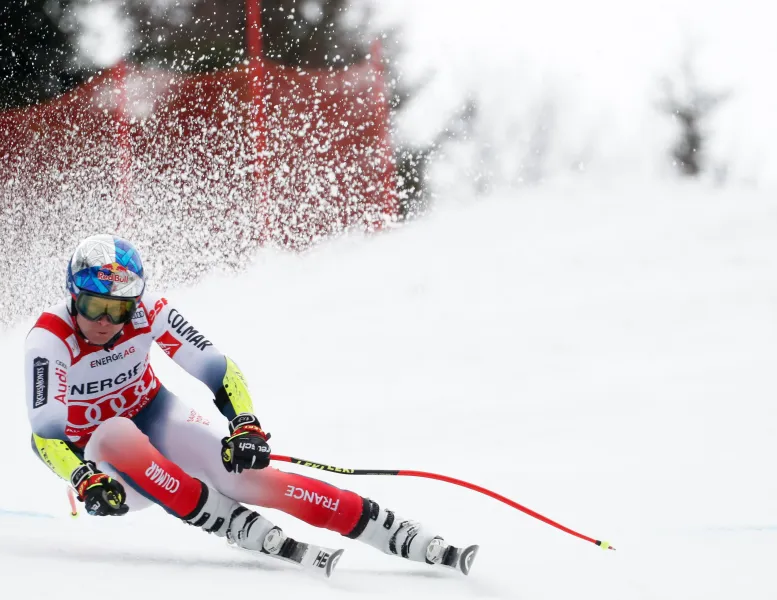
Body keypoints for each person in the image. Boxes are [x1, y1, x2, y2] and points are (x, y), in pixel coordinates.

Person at [24, 234, 476, 576]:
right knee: (118, 434)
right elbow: (44, 434)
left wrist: (245, 424)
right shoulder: (49, 339)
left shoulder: (151, 311)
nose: (104, 322)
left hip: (155, 413)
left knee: (247, 476)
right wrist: (83, 478)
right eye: (93, 306)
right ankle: (229, 523)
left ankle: (390, 529)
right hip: (102, 465)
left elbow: (218, 367)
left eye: (117, 311)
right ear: (72, 296)